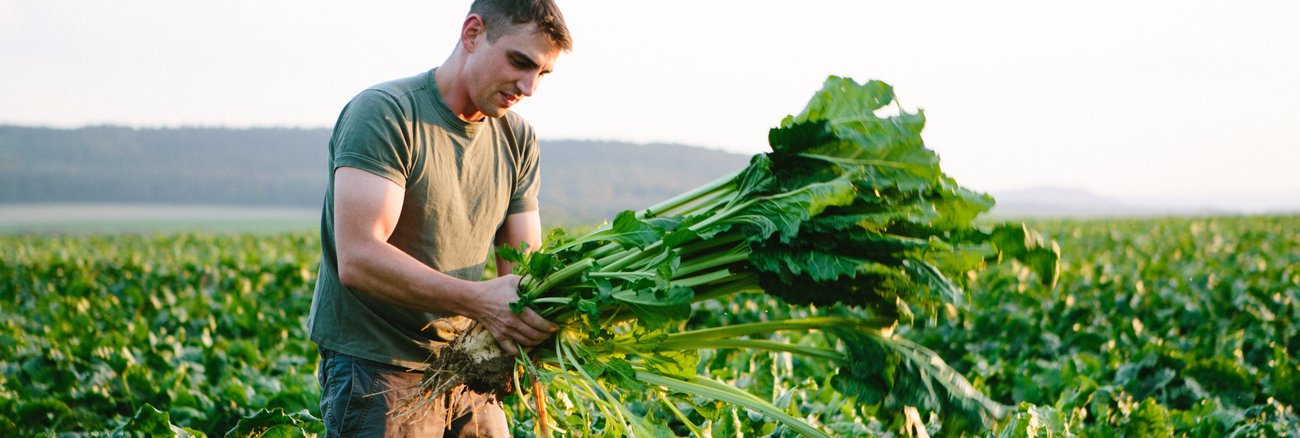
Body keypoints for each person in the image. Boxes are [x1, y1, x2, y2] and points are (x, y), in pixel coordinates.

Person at [306, 0, 571, 436]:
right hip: (380, 372)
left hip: (471, 364)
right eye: (519, 62)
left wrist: (530, 326)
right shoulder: (386, 113)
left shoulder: (517, 138)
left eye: (541, 73)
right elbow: (359, 257)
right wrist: (481, 301)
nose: (528, 86)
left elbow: (524, 266)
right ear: (472, 34)